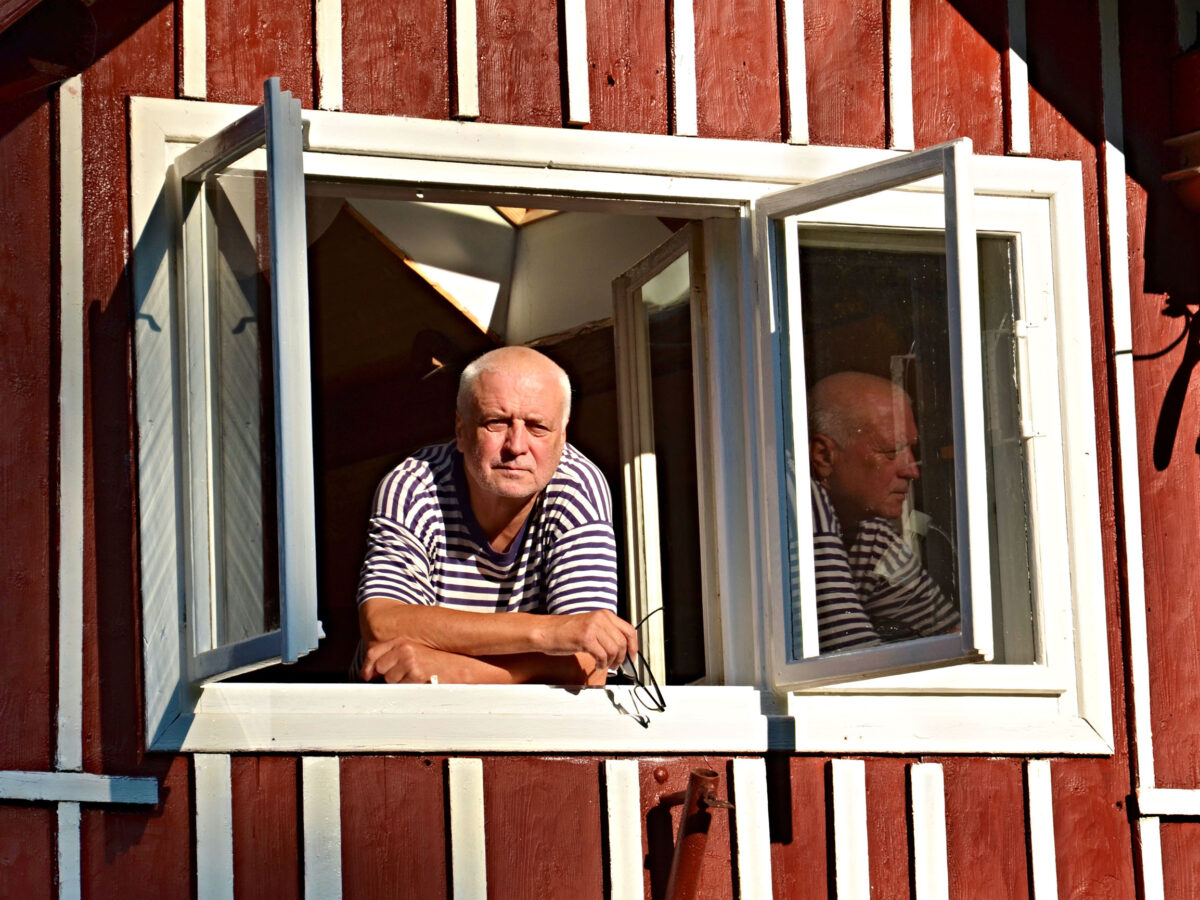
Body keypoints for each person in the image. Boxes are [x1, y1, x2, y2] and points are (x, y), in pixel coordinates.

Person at [356, 346, 637, 685]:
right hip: (402, 717)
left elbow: (590, 664)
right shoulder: (413, 485)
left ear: (562, 439)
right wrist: (551, 633)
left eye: (537, 427)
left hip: (531, 721)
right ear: (460, 430)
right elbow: (383, 625)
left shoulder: (578, 487)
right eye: (497, 422)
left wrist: (460, 673)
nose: (516, 445)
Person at [807, 371, 959, 652]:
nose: (912, 471)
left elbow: (952, 639)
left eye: (910, 450)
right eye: (891, 451)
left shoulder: (870, 534)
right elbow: (851, 662)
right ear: (824, 456)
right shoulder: (803, 510)